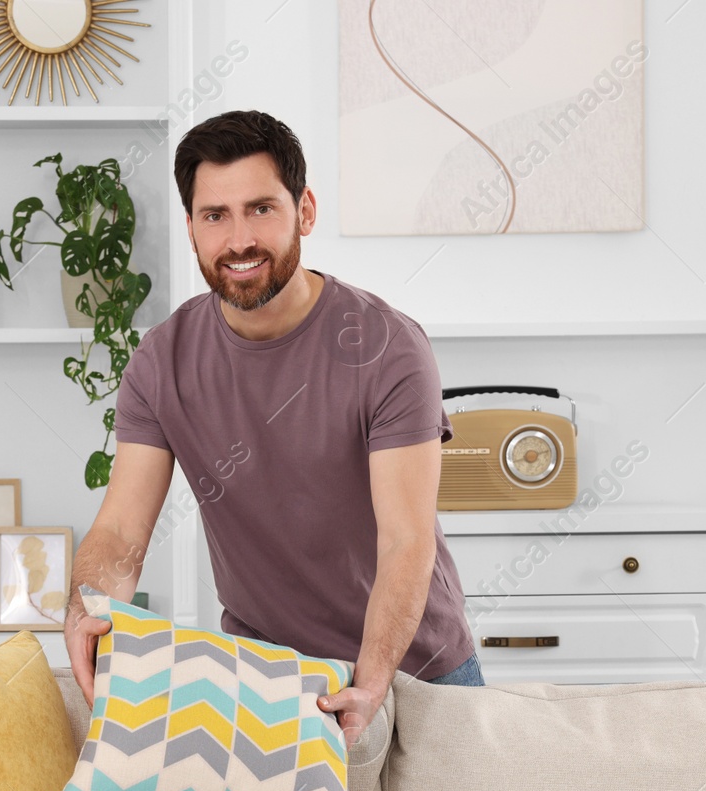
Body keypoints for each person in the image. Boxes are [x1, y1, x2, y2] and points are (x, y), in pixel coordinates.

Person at [65, 109, 483, 747]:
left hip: (421, 677)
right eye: (215, 215)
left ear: (305, 212)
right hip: (271, 684)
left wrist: (369, 685)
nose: (238, 240)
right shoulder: (161, 362)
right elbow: (122, 527)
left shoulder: (388, 347)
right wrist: (88, 607)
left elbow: (406, 542)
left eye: (261, 208)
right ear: (191, 228)